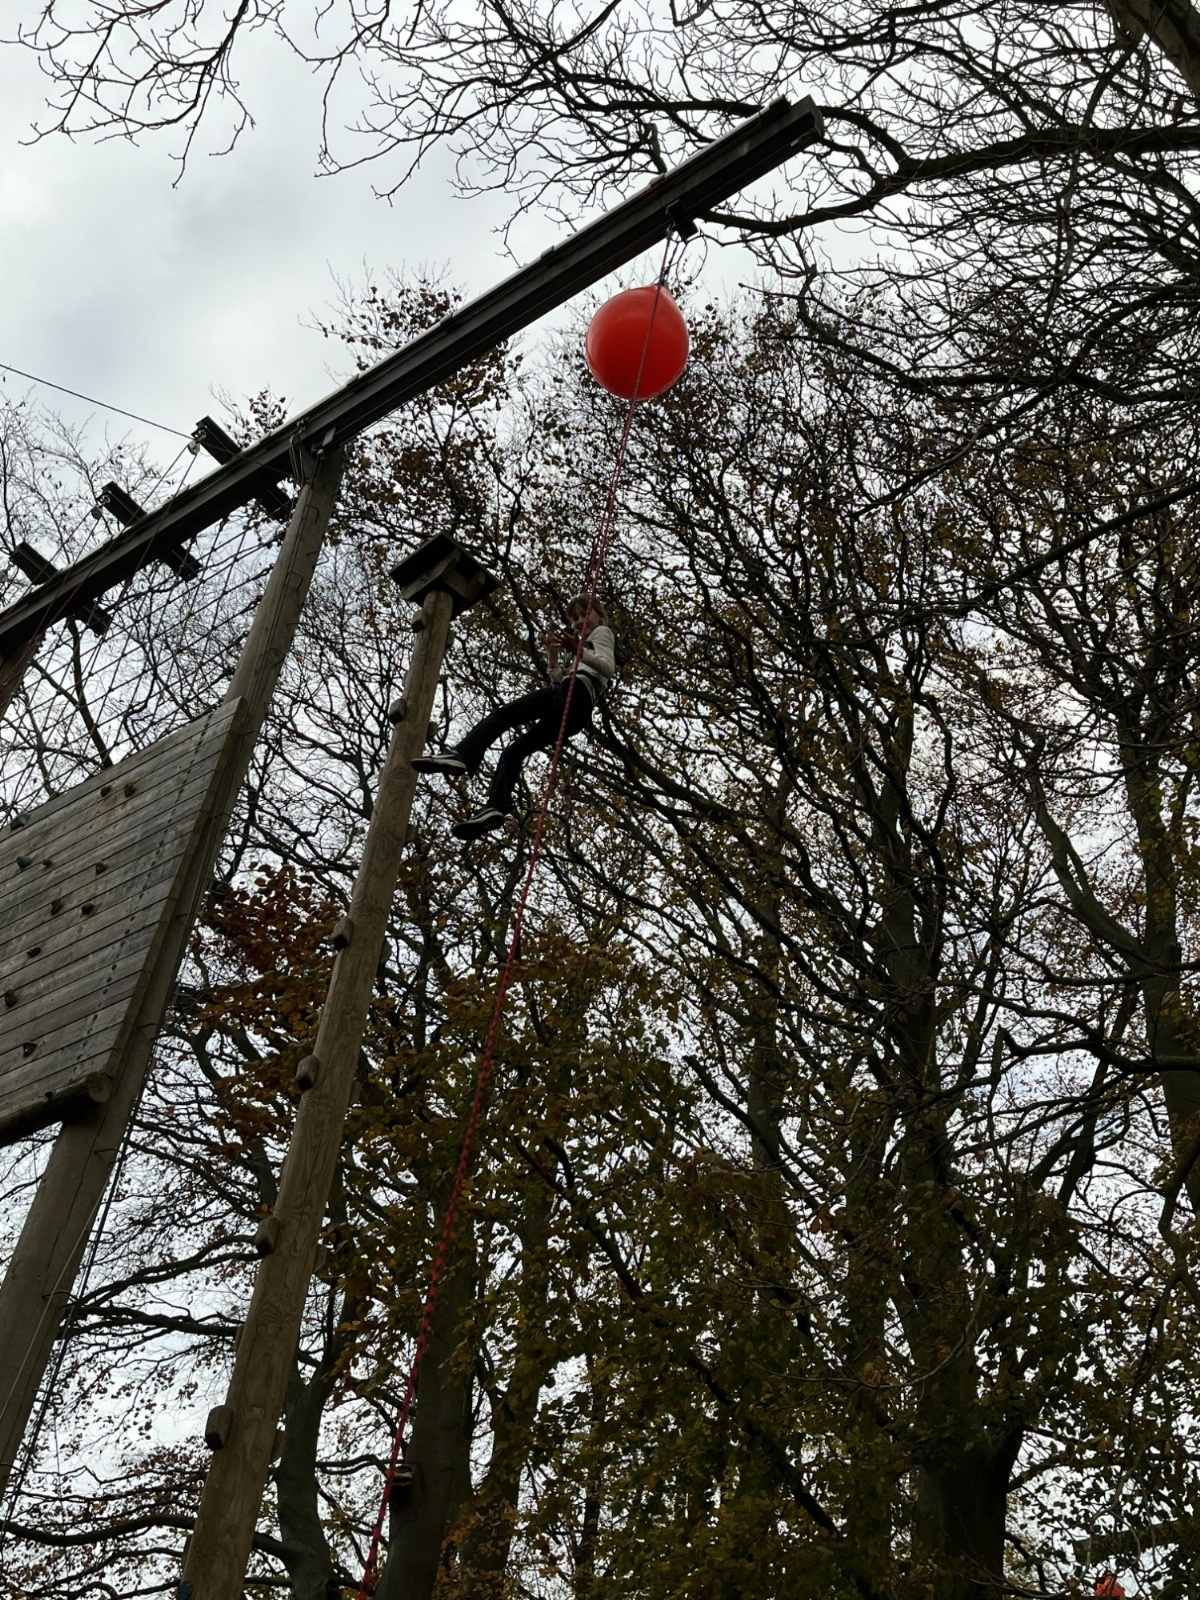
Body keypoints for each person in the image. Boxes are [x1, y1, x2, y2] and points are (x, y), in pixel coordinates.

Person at [412, 594, 617, 840]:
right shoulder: (582, 647)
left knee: (503, 715)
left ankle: (463, 755)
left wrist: (578, 650)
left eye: (584, 614)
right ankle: (496, 806)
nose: (579, 622)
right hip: (575, 710)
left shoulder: (602, 633)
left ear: (599, 614)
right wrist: (553, 658)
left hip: (577, 695)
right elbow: (557, 681)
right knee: (514, 752)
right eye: (574, 619)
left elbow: (608, 667)